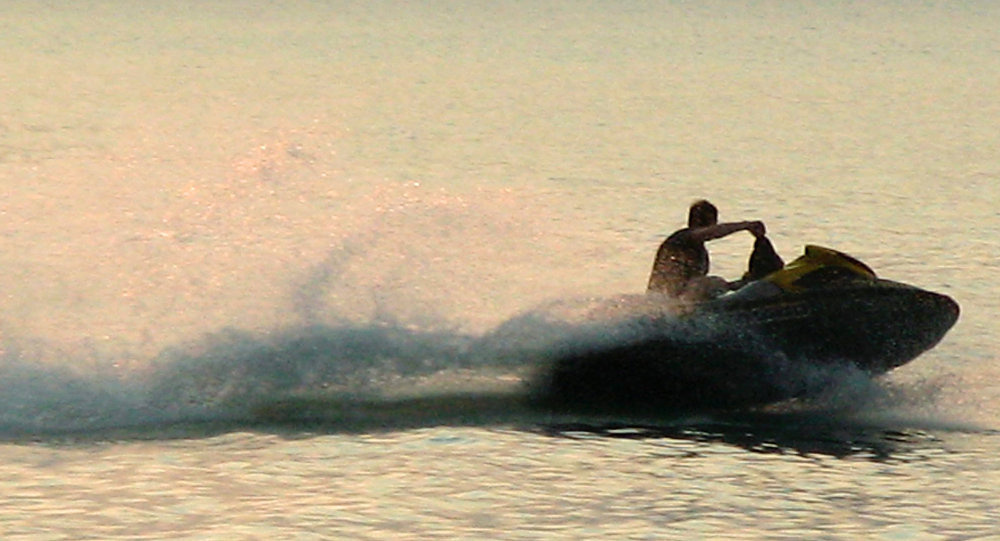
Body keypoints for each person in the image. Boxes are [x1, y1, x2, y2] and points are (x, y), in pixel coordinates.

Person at [646, 200, 780, 301]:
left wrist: (740, 284)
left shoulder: (697, 248)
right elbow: (709, 233)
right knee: (712, 283)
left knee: (714, 284)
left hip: (680, 303)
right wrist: (745, 225)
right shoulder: (682, 238)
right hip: (667, 304)